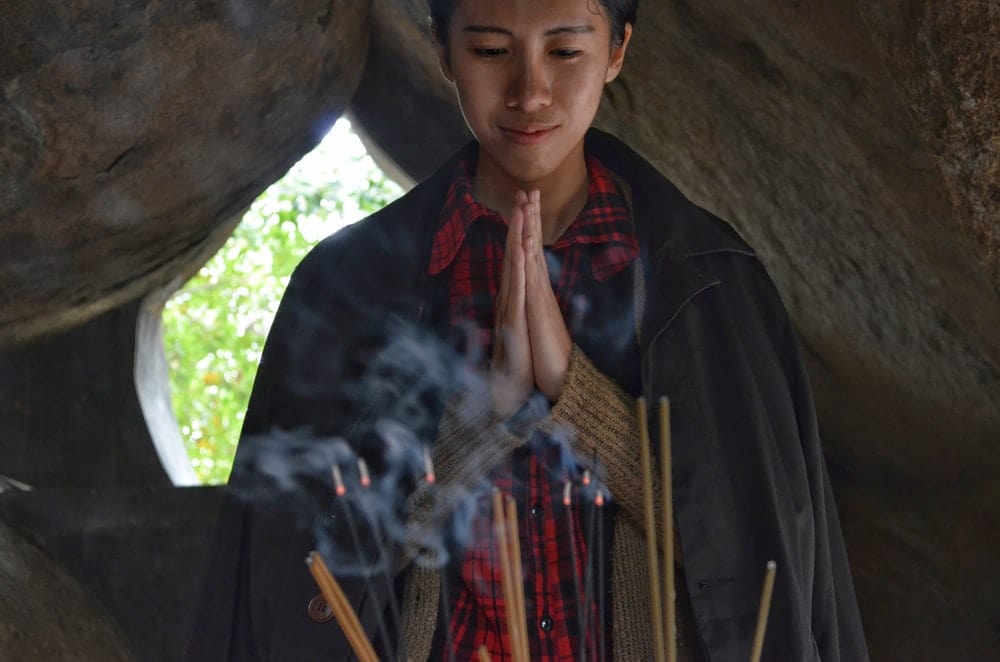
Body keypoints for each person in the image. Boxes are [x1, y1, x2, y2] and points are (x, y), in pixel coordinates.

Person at [187, 0, 869, 660]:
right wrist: (487, 419)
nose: (529, 91)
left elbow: (766, 572)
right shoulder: (349, 288)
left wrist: (578, 398)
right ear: (444, 50)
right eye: (489, 50)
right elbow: (289, 583)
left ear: (618, 50)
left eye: (565, 49)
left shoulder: (707, 283)